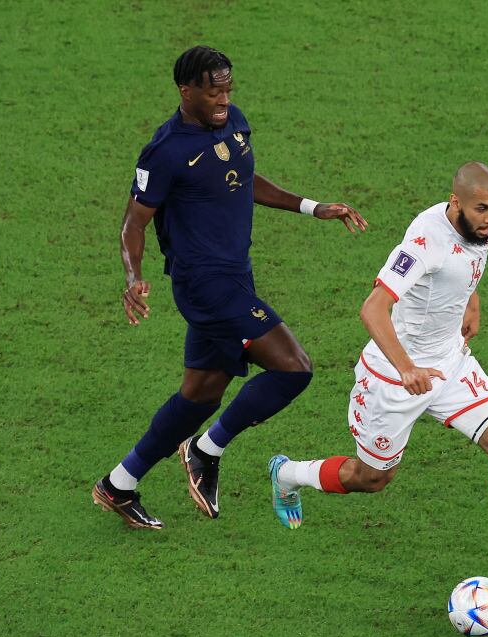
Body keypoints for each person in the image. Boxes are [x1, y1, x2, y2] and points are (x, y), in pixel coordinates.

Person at [91, 46, 367, 529]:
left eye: (227, 88)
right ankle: (204, 449)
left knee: (198, 396)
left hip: (237, 276)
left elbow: (241, 179)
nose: (223, 98)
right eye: (213, 90)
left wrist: (311, 206)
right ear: (187, 90)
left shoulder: (234, 122)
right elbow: (133, 223)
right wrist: (133, 278)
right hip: (205, 287)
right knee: (294, 368)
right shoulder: (165, 151)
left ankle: (118, 484)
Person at [267, 162, 488, 598]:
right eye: (482, 208)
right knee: (371, 478)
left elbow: (468, 264)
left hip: (451, 364)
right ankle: (288, 474)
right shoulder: (423, 243)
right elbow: (373, 308)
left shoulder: (479, 229)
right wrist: (406, 368)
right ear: (455, 201)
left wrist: (470, 300)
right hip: (393, 377)